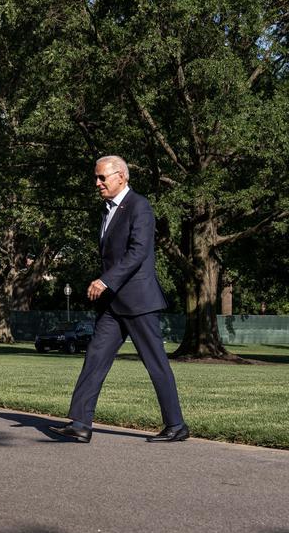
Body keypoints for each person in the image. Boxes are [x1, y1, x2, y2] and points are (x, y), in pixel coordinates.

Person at [50, 156, 189, 444]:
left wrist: (105, 280)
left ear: (121, 177)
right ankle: (80, 423)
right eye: (97, 178)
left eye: (102, 177)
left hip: (139, 302)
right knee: (95, 358)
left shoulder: (139, 206)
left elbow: (138, 252)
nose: (97, 183)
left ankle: (176, 425)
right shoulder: (107, 211)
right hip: (112, 305)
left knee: (156, 364)